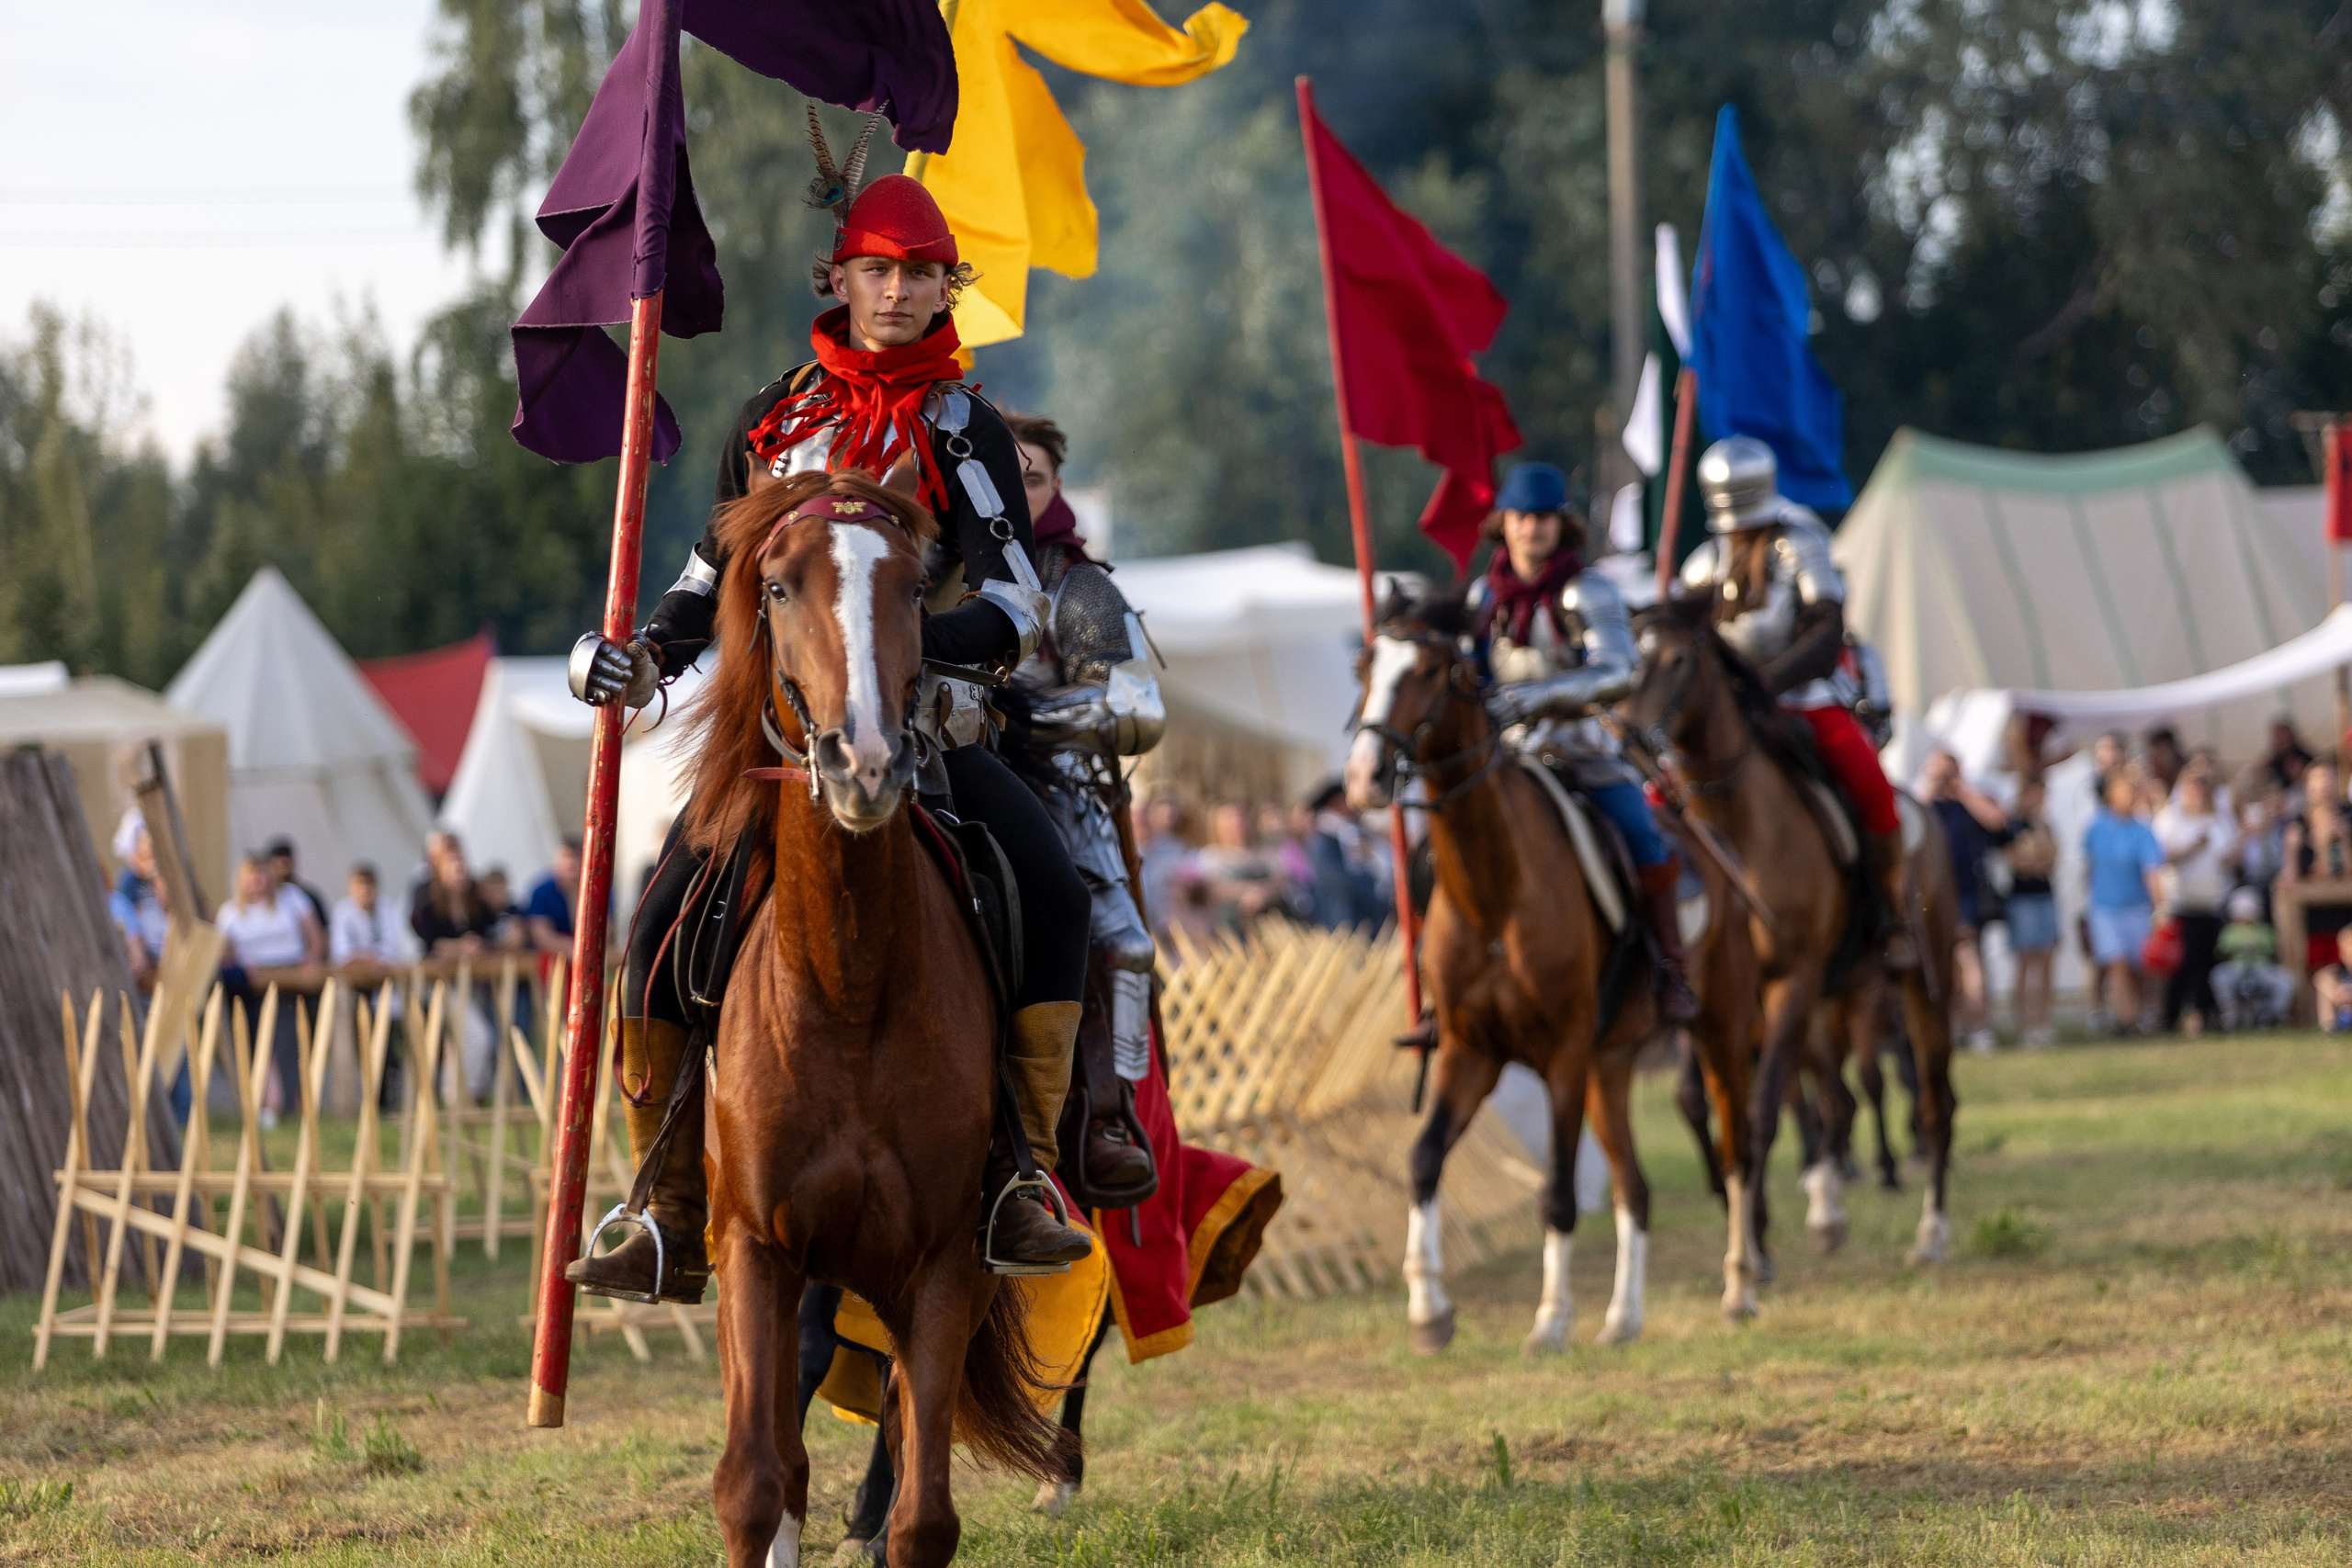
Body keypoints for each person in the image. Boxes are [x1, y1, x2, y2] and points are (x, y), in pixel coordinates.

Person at [563, 166, 1091, 1295]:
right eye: (878, 270)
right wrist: (640, 657)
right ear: (838, 275)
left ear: (949, 284)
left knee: (1049, 887)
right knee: (657, 923)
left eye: (921, 273)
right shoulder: (772, 417)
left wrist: (894, 650)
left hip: (924, 744)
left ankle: (1024, 1169)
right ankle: (664, 1202)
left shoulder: (965, 429)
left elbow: (1015, 603)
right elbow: (708, 584)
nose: (898, 292)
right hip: (774, 754)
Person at [1003, 408, 1165, 1194]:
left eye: (1031, 475)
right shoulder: (930, 563)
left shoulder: (1077, 583)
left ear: (1056, 484)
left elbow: (1137, 710)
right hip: (930, 768)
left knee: (1125, 943)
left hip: (1054, 785)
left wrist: (1029, 717)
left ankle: (1106, 1111)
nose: (1017, 488)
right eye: (1004, 474)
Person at [1475, 460, 1697, 1021]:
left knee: (1642, 835)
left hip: (1583, 753)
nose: (1533, 529)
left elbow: (1620, 672)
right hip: (1507, 760)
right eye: (1523, 517)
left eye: (1545, 518)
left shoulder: (1587, 589)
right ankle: (1445, 982)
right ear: (1504, 522)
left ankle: (1670, 969)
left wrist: (1537, 696)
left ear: (1561, 525)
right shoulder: (1484, 598)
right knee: (1444, 845)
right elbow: (1470, 674)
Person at [1679, 436, 1912, 965]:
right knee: (1661, 795)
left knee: (1872, 787)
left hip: (1804, 701)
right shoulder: (1700, 566)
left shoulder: (1802, 544)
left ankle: (1891, 910)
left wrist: (1764, 683)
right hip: (1729, 715)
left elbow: (1825, 634)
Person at [218, 852, 324, 1120]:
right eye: (251, 875)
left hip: (291, 979)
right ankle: (269, 1104)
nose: (257, 880)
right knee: (259, 1043)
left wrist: (311, 961)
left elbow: (315, 937)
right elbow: (223, 952)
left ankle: (293, 1104)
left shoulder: (291, 900)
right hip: (251, 986)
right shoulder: (230, 912)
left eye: (262, 873)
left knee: (288, 1041)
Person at [1919, 750, 2013, 1052]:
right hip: (1934, 895)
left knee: (1967, 958)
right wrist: (1930, 789)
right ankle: (1956, 1026)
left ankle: (1977, 1027)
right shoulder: (1926, 806)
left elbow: (1998, 822)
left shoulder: (1969, 803)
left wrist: (1963, 791)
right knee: (1945, 965)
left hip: (1968, 894)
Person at [2153, 770, 2236, 1035]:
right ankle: (2171, 1016)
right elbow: (2159, 856)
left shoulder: (2220, 819)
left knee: (2208, 962)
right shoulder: (2171, 818)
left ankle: (2206, 1015)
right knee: (2183, 963)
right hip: (2182, 904)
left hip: (2213, 903)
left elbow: (2233, 852)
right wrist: (2191, 847)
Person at [2084, 772, 2165, 1037]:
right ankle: (2126, 1020)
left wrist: (2160, 907)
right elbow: (2089, 867)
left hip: (2137, 907)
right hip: (2105, 908)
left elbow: (2151, 872)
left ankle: (2144, 1014)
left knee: (2139, 966)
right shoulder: (2096, 828)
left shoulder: (2143, 831)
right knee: (2116, 962)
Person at [2278, 760, 2352, 976]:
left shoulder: (2349, 817)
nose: (2324, 786)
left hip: (2347, 919)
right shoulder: (2298, 824)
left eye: (2329, 778)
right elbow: (2292, 878)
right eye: (2318, 780)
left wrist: (2344, 840)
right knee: (2317, 975)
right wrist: (2316, 845)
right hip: (2314, 921)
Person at [2004, 779, 2060, 1046]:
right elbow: (2017, 863)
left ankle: (2044, 1021)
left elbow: (2052, 859)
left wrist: (2039, 832)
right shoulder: (2012, 826)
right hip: (2022, 900)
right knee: (2026, 960)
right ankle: (2025, 1023)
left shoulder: (2044, 825)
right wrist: (2036, 861)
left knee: (2048, 960)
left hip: (2045, 896)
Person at [1300, 781, 1385, 929]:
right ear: (1337, 802)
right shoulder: (1322, 838)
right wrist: (1370, 885)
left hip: (1363, 917)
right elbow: (1334, 878)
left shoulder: (1351, 833)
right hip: (1341, 918)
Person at [2211, 886, 2293, 1031]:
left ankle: (2273, 1014)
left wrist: (2255, 944)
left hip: (2261, 969)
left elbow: (2271, 948)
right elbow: (2222, 949)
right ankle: (2230, 1012)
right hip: (2236, 968)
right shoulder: (2229, 931)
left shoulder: (2264, 930)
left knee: (2285, 980)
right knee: (2218, 975)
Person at [410, 830, 498, 957]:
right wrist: (457, 946)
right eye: (453, 865)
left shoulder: (477, 894)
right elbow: (427, 936)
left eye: (462, 864)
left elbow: (491, 926)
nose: (459, 869)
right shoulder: (426, 897)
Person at [524, 837, 582, 958]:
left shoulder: (598, 888)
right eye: (566, 857)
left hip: (584, 952)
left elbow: (604, 930)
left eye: (576, 857)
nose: (571, 863)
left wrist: (573, 893)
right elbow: (541, 934)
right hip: (554, 958)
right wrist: (572, 948)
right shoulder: (542, 890)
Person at [264, 837, 331, 930]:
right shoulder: (264, 899)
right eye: (278, 865)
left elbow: (323, 929)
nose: (282, 869)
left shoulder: (307, 896)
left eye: (285, 863)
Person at [2313, 929, 2352, 1033]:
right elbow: (2321, 979)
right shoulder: (2340, 973)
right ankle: (2328, 1030)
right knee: (2323, 980)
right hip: (2345, 1020)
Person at [2262, 718, 2313, 794]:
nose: (2282, 739)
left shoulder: (2304, 757)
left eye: (2284, 735)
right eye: (2278, 736)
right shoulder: (2272, 762)